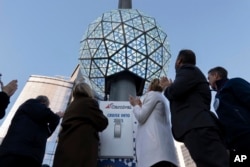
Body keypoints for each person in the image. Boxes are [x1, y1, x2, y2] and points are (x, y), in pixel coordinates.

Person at [160, 49, 229, 167]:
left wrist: (167, 88)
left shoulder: (187, 70)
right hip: (199, 127)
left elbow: (174, 92)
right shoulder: (192, 76)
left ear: (179, 61)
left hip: (198, 128)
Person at [52, 82, 108, 167]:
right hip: (81, 152)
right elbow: (103, 122)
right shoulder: (89, 102)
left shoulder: (70, 106)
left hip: (64, 152)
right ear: (88, 91)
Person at [0, 95, 63, 167]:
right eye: (47, 107)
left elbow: (47, 133)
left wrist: (56, 119)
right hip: (17, 153)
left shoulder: (38, 119)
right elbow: (48, 115)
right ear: (43, 103)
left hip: (29, 156)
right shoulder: (31, 104)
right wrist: (56, 116)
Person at [129, 78, 178, 167]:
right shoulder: (161, 97)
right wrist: (141, 106)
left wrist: (135, 105)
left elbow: (140, 117)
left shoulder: (152, 95)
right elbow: (150, 116)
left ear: (150, 87)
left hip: (154, 154)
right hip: (165, 153)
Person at [207, 66, 250, 153]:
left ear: (215, 75)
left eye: (209, 78)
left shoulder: (234, 82)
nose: (208, 82)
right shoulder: (218, 96)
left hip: (247, 132)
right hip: (237, 143)